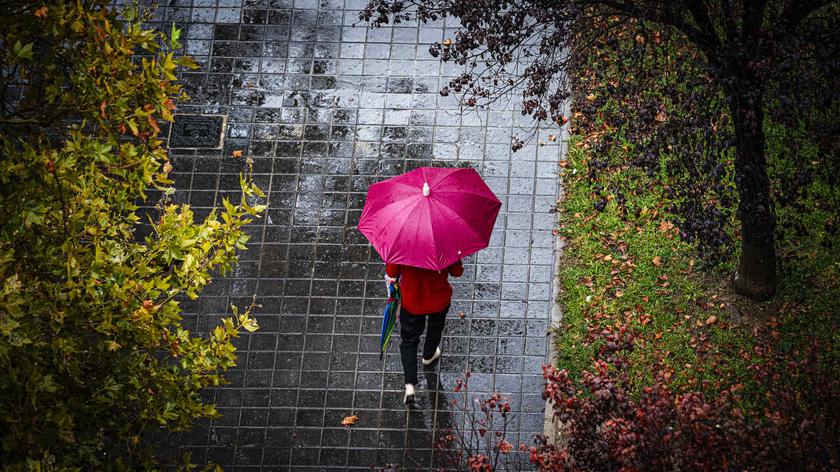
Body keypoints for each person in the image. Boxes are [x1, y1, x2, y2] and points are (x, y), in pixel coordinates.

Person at [385, 260, 464, 404]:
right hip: (439, 301)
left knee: (409, 341)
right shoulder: (444, 244)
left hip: (411, 302)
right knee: (436, 328)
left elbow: (391, 272)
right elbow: (457, 272)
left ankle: (410, 385)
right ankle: (429, 355)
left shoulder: (402, 245)